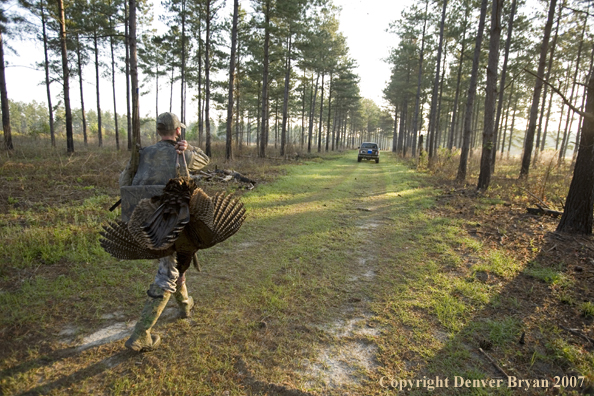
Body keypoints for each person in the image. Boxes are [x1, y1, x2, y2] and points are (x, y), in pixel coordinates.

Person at [119, 112, 209, 352]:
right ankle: (141, 335)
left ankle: (185, 305)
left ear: (158, 131)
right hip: (170, 224)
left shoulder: (142, 154)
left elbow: (123, 182)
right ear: (178, 131)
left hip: (141, 221)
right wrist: (188, 147)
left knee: (176, 262)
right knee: (168, 271)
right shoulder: (183, 154)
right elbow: (205, 159)